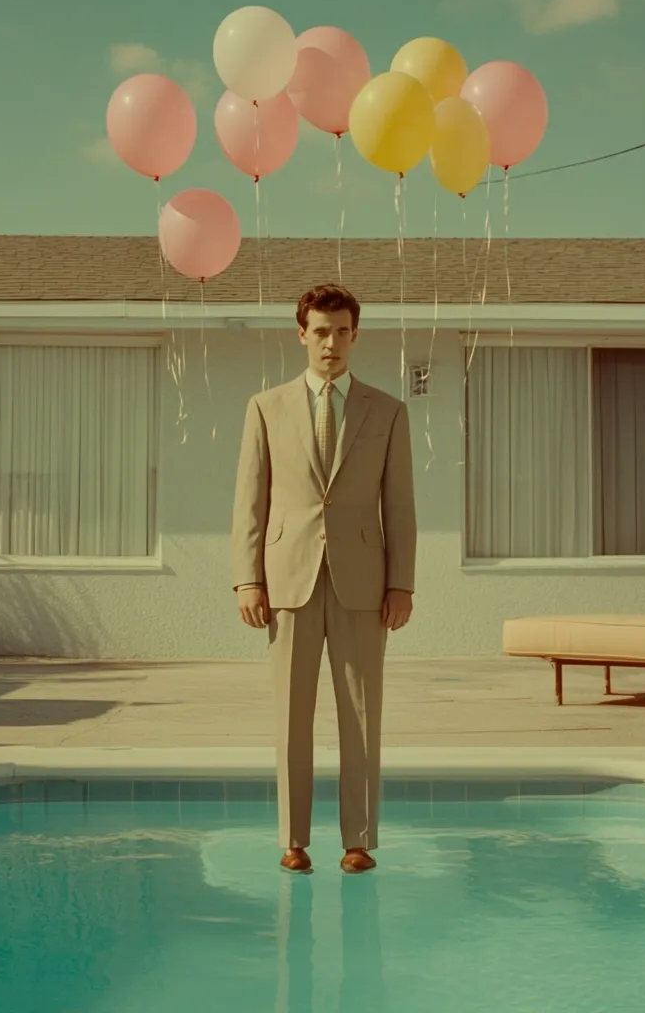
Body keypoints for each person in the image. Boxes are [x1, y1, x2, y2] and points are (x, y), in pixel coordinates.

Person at [231, 283, 417, 874]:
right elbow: (250, 502)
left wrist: (402, 583)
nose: (330, 343)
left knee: (361, 714)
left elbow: (400, 506)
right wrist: (247, 579)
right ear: (302, 335)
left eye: (341, 332)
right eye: (320, 332)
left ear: (355, 335)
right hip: (287, 580)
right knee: (291, 716)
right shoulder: (265, 407)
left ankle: (357, 841)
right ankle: (293, 840)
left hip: (364, 583)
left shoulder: (388, 411)